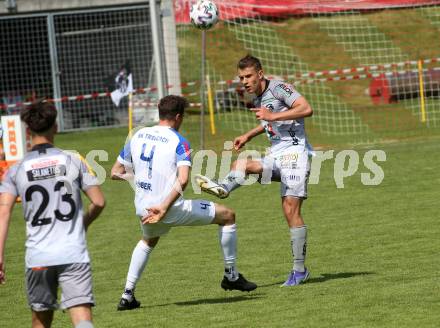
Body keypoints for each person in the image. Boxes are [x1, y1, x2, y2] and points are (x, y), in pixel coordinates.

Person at [111, 95, 256, 311]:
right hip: (169, 208)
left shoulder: (138, 134)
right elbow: (183, 179)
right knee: (228, 216)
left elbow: (115, 172)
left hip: (144, 208)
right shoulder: (180, 142)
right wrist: (164, 207)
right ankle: (231, 276)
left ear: (159, 112)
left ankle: (127, 295)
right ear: (178, 117)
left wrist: (140, 178)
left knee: (148, 242)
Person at [196, 55, 314, 287]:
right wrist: (248, 135)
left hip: (296, 154)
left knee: (290, 211)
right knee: (244, 163)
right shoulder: (260, 96)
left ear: (260, 74)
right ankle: (223, 187)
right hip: (276, 153)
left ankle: (300, 271)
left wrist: (273, 116)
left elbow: (306, 108)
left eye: (248, 76)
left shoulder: (280, 88)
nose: (245, 81)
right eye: (241, 77)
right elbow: (268, 121)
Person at [0, 101, 105, 328]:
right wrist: (83, 223)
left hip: (39, 256)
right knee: (82, 317)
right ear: (55, 127)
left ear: (28, 131)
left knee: (41, 321)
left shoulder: (15, 170)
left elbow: (4, 212)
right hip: (73, 252)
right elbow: (98, 202)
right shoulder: (74, 161)